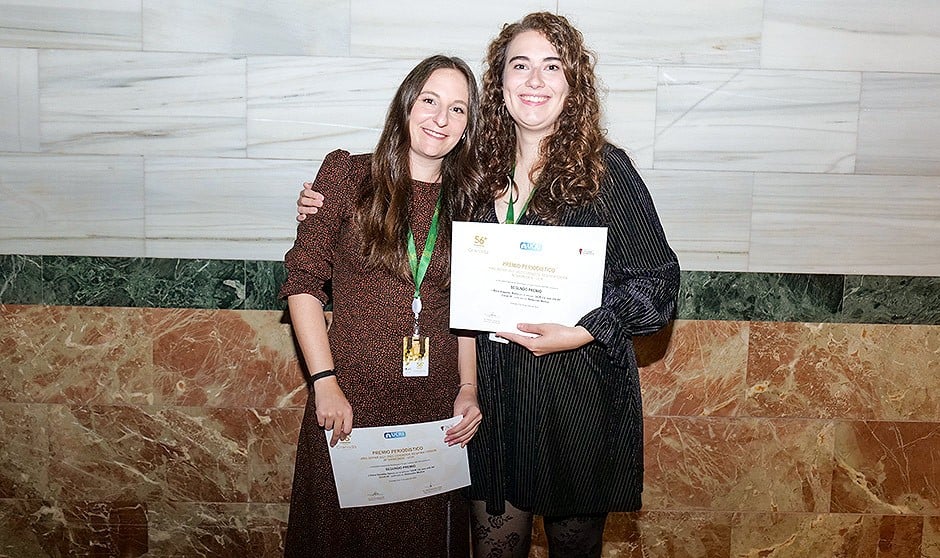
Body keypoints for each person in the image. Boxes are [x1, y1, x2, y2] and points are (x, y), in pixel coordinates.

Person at [297, 13, 680, 558]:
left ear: (574, 85)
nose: (534, 80)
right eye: (520, 66)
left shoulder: (605, 171)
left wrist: (581, 332)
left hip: (574, 398)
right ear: (499, 84)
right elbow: (406, 208)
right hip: (494, 404)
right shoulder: (476, 173)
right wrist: (319, 206)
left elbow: (659, 285)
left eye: (553, 67)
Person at [278, 54, 484, 557]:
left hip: (434, 408)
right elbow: (303, 283)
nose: (441, 118)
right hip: (347, 400)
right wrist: (324, 384)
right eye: (430, 101)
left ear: (468, 125)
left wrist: (469, 388)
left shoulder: (471, 201)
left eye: (458, 109)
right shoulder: (347, 176)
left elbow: (471, 307)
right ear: (406, 104)